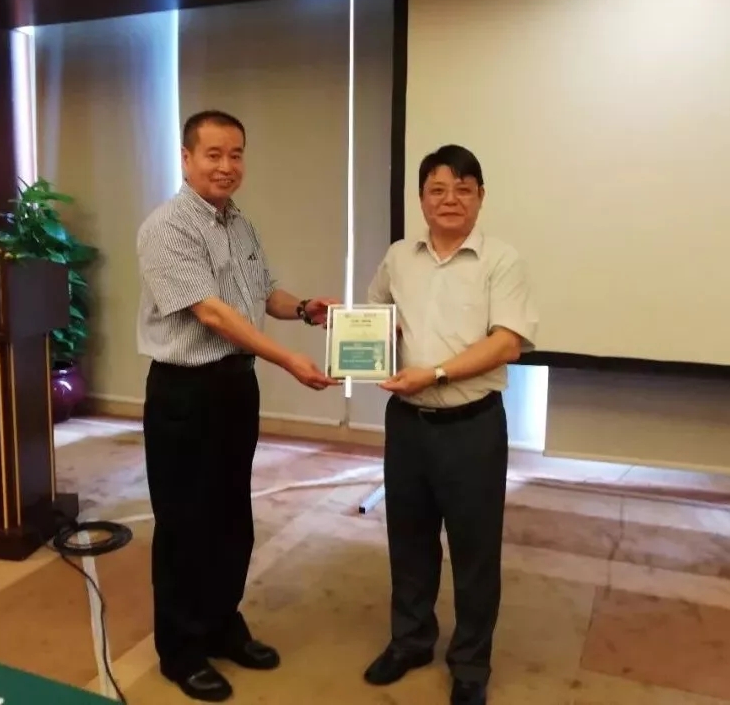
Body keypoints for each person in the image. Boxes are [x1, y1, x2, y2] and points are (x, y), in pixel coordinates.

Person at [136, 110, 340, 702]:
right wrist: (287, 359)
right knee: (184, 524)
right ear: (186, 158)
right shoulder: (167, 227)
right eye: (214, 154)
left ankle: (222, 624)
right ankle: (181, 649)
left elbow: (259, 292)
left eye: (236, 154)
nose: (227, 166)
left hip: (234, 389)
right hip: (184, 392)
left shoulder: (240, 224)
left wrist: (303, 309)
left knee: (231, 517)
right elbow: (213, 313)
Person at [363, 144, 538, 705]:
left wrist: (435, 372)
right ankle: (411, 640)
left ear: (480, 197)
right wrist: (368, 340)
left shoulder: (501, 260)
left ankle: (470, 664)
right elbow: (375, 315)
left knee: (474, 551)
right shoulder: (399, 257)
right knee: (408, 539)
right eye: (437, 189)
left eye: (463, 189)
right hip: (407, 425)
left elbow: (507, 343)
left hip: (472, 427)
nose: (450, 199)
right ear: (421, 198)